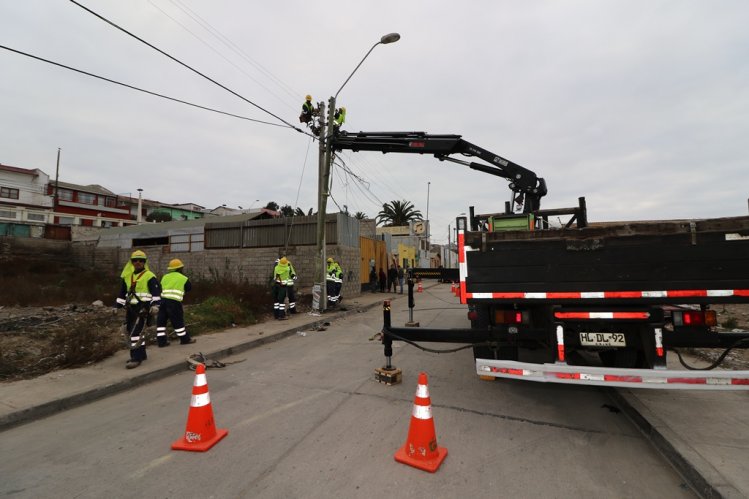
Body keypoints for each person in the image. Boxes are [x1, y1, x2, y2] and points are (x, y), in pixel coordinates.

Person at [114, 250, 161, 369]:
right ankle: (142, 354)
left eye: (141, 260)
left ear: (144, 262)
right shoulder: (127, 277)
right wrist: (116, 306)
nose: (138, 262)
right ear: (132, 262)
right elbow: (122, 293)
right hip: (131, 308)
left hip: (143, 308)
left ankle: (136, 358)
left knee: (135, 333)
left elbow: (156, 293)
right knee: (132, 331)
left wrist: (155, 305)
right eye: (135, 260)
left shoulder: (149, 276)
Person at [155, 258, 195, 347]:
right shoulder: (183, 278)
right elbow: (189, 288)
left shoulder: (165, 277)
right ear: (180, 268)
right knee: (178, 321)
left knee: (161, 322)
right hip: (174, 303)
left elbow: (161, 287)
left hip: (163, 301)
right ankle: (185, 339)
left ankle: (162, 342)